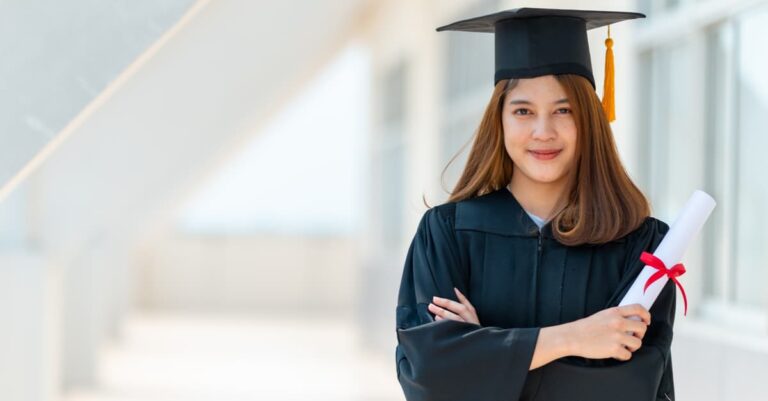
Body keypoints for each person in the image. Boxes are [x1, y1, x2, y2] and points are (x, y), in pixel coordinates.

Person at [395, 7, 678, 401]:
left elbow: (631, 387)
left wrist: (483, 354)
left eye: (564, 110)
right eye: (523, 111)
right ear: (500, 120)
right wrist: (574, 339)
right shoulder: (447, 234)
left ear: (589, 120)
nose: (543, 131)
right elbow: (428, 376)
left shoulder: (641, 246)